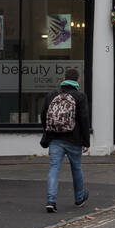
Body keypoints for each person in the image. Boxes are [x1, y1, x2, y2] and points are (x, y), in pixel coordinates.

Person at [40, 68, 92, 212]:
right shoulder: (80, 96)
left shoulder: (51, 95)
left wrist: (48, 130)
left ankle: (51, 200)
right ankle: (79, 198)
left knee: (54, 168)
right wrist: (86, 141)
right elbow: (84, 119)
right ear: (77, 80)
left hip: (55, 138)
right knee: (76, 168)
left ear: (63, 78)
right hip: (74, 139)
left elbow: (43, 115)